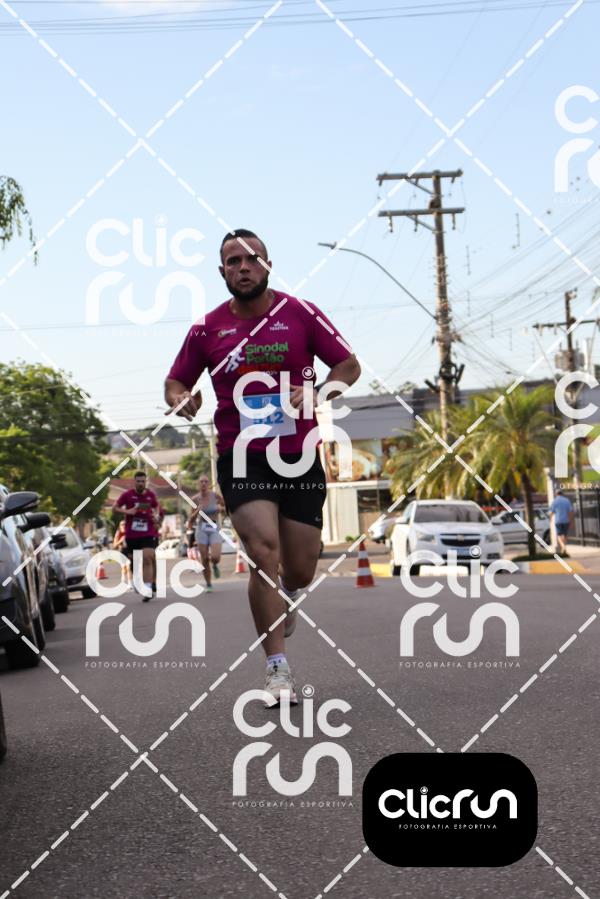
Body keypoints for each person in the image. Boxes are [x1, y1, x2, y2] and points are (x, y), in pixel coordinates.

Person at [164, 229, 360, 705]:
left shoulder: (302, 313)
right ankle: (277, 670)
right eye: (233, 261)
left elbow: (349, 366)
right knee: (262, 552)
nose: (244, 267)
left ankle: (289, 593)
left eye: (252, 258)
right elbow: (174, 381)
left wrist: (319, 391)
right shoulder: (207, 329)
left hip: (298, 452)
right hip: (242, 454)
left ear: (268, 265)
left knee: (301, 567)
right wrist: (181, 398)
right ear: (222, 271)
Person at [113, 471, 162, 600]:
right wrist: (127, 511)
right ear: (134, 482)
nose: (140, 483)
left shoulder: (150, 495)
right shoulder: (127, 495)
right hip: (132, 534)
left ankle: (148, 588)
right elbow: (115, 508)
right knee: (134, 561)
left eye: (143, 481)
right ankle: (137, 580)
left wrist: (156, 516)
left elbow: (156, 507)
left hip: (147, 532)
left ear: (146, 482)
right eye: (138, 481)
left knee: (147, 557)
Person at [188, 474, 225, 593]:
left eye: (205, 481)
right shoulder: (195, 499)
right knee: (204, 559)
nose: (203, 483)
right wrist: (197, 511)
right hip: (202, 530)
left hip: (214, 528)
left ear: (208, 484)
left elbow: (226, 509)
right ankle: (208, 584)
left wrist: (221, 509)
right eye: (201, 482)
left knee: (215, 557)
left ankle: (215, 565)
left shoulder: (215, 496)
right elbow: (190, 520)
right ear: (198, 484)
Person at [550, 488, 574, 557]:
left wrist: (550, 520)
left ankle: (563, 546)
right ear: (562, 493)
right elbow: (570, 512)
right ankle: (564, 547)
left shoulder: (555, 501)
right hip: (566, 520)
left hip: (558, 521)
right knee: (564, 535)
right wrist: (571, 521)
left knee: (559, 535)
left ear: (556, 494)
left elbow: (551, 512)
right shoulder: (567, 500)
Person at [112, 520, 132, 587]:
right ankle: (123, 579)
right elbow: (114, 545)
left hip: (129, 551)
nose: (123, 526)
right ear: (120, 526)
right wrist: (120, 541)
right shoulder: (118, 533)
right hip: (121, 551)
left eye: (125, 524)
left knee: (129, 566)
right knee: (124, 568)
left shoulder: (129, 532)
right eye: (122, 524)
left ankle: (130, 583)